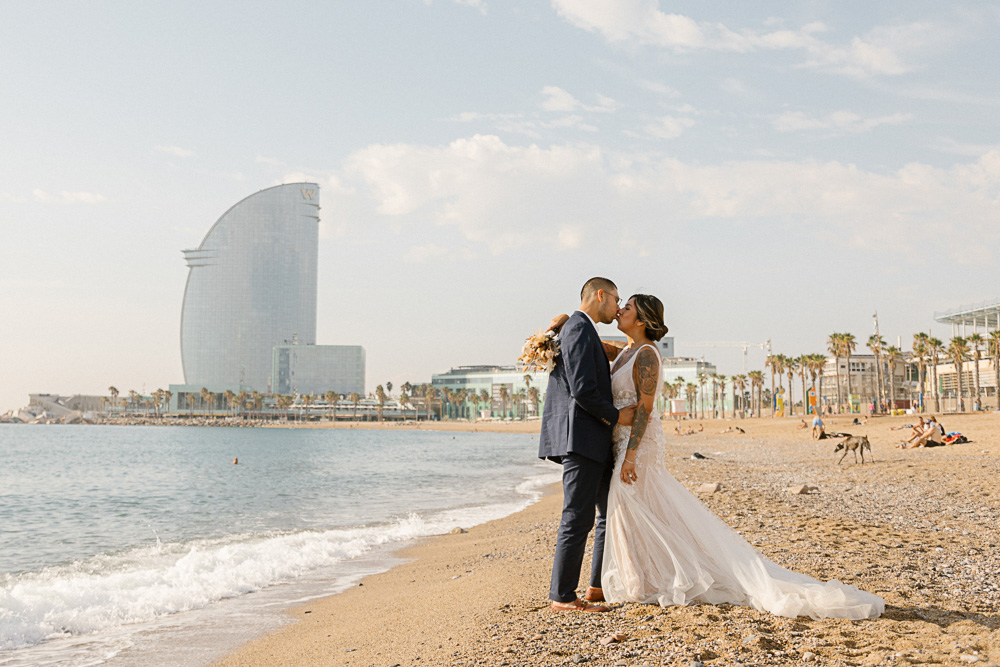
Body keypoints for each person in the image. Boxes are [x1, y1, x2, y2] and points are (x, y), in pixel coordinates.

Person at [599, 294, 884, 620]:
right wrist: (565, 332)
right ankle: (646, 579)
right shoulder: (626, 350)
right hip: (622, 442)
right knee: (642, 510)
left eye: (628, 307)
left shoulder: (647, 355)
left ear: (642, 318)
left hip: (639, 445)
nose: (620, 309)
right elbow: (600, 345)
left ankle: (643, 582)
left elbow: (646, 409)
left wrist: (632, 454)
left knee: (627, 505)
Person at [538, 278, 636, 612]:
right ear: (601, 295)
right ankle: (562, 595)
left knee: (607, 512)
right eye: (616, 300)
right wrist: (617, 417)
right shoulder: (579, 327)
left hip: (592, 439)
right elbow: (582, 388)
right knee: (577, 517)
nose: (618, 307)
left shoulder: (579, 327)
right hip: (581, 438)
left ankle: (596, 586)